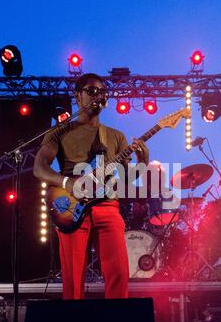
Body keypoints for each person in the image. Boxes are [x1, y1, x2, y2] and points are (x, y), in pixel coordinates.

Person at [33, 73, 149, 299]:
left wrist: (143, 161)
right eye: (92, 91)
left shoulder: (115, 136)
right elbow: (39, 168)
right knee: (73, 279)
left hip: (108, 207)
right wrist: (68, 181)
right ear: (78, 96)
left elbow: (126, 179)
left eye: (102, 92)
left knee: (119, 272)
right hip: (72, 208)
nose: (98, 96)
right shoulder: (60, 132)